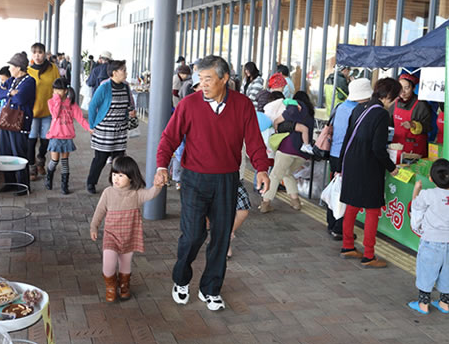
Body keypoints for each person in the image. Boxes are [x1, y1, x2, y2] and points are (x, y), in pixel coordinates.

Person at [155, 55, 271, 311]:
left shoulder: (242, 106)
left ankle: (210, 289)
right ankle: (181, 279)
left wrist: (262, 169)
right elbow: (169, 137)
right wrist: (162, 166)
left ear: (225, 79)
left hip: (227, 180)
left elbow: (254, 142)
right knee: (193, 235)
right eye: (200, 79)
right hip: (194, 178)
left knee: (221, 237)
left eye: (208, 79)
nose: (203, 84)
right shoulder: (189, 105)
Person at [338, 77, 402, 268]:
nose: (395, 102)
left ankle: (348, 245)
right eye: (395, 98)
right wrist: (393, 168)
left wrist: (340, 166)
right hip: (368, 167)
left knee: (351, 206)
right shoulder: (381, 114)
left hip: (351, 164)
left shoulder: (359, 108)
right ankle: (368, 255)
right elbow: (378, 149)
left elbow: (347, 138)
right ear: (389, 96)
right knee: (373, 210)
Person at [90, 156, 161, 302]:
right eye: (114, 174)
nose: (116, 178)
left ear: (131, 177)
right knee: (108, 262)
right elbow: (100, 210)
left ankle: (124, 285)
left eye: (121, 175)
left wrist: (158, 185)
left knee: (125, 263)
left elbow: (151, 193)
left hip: (129, 235)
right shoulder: (108, 192)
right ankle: (110, 287)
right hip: (111, 234)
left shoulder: (136, 193)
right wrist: (94, 226)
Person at [326, 78, 370, 240]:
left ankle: (331, 223)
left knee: (334, 189)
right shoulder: (359, 110)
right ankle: (339, 228)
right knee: (344, 193)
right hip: (347, 156)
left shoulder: (340, 106)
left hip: (334, 153)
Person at [407, 158, 449, 315]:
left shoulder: (427, 194)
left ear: (431, 178)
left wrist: (416, 189)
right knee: (448, 273)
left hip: (431, 242)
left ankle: (423, 304)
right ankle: (444, 303)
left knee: (426, 271)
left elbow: (416, 211)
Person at [260, 91, 316, 213]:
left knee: (275, 175)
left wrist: (276, 122)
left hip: (287, 148)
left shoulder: (295, 107)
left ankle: (265, 202)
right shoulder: (310, 116)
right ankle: (295, 202)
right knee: (287, 173)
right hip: (302, 153)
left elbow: (286, 116)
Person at [87, 60, 135, 194]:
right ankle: (91, 182)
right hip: (104, 131)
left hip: (120, 130)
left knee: (119, 160)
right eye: (123, 70)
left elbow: (130, 103)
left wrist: (131, 111)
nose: (126, 73)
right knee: (100, 159)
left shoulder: (126, 86)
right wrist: (91, 125)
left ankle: (117, 184)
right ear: (114, 73)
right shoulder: (104, 86)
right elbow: (92, 106)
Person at [0, 52, 36, 188]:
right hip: (7, 122)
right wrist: (9, 93)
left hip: (20, 123)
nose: (9, 69)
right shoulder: (11, 81)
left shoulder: (29, 81)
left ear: (19, 67)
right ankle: (10, 183)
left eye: (11, 66)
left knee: (19, 154)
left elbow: (21, 98)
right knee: (6, 152)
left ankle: (23, 185)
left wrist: (10, 95)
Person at [45, 78, 91, 194]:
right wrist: (57, 99)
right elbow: (55, 114)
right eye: (54, 89)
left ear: (65, 90)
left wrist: (89, 128)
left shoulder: (72, 104)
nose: (56, 92)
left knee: (65, 161)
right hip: (55, 136)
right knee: (54, 161)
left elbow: (80, 118)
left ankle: (64, 185)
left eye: (59, 90)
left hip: (67, 136)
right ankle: (48, 178)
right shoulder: (51, 102)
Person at [26, 43, 60, 180]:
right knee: (31, 140)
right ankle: (32, 168)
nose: (37, 56)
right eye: (34, 53)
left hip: (48, 111)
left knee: (46, 140)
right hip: (32, 112)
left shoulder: (53, 69)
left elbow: (59, 87)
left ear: (45, 54)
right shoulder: (28, 70)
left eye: (40, 53)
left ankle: (41, 159)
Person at [390, 72, 433, 158]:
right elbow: (389, 122)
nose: (403, 91)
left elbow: (429, 126)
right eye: (400, 88)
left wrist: (413, 125)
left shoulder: (421, 105)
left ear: (413, 88)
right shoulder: (394, 102)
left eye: (406, 88)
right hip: (397, 147)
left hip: (415, 149)